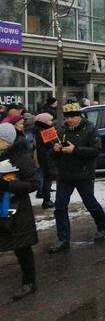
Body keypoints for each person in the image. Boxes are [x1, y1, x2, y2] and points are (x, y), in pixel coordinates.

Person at [50, 102, 105, 253]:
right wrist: (55, 150)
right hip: (64, 174)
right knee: (60, 206)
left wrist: (75, 150)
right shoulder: (61, 130)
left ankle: (103, 226)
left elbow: (96, 151)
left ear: (79, 116)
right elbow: (52, 155)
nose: (69, 120)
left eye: (73, 117)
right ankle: (63, 238)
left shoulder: (90, 129)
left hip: (83, 174)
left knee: (90, 203)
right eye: (67, 117)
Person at [0, 123, 40, 300]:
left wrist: (9, 185)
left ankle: (29, 282)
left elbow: (33, 184)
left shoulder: (22, 158)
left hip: (17, 209)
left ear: (7, 141)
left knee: (22, 247)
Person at [33, 113, 57, 208]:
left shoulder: (39, 130)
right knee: (48, 178)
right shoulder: (44, 131)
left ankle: (46, 198)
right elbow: (52, 144)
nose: (51, 122)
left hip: (44, 157)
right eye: (49, 120)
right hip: (47, 158)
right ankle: (46, 200)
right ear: (44, 122)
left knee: (47, 178)